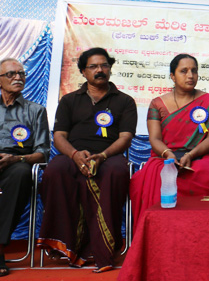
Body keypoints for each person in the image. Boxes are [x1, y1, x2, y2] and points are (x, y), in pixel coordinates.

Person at [37, 48, 137, 273]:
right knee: (54, 171)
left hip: (109, 156)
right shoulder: (69, 100)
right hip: (73, 155)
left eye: (104, 65)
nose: (100, 70)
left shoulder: (125, 101)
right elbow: (59, 136)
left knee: (115, 172)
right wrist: (74, 155)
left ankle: (102, 249)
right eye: (93, 66)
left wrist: (102, 156)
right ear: (83, 72)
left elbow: (126, 137)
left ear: (110, 68)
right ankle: (66, 244)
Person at [129, 54, 209, 225]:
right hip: (165, 157)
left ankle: (198, 233)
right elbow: (154, 138)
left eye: (194, 71)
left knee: (205, 174)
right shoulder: (157, 104)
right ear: (172, 76)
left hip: (199, 157)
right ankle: (157, 234)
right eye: (183, 71)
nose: (190, 76)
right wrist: (168, 154)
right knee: (142, 179)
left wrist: (191, 155)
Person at [0, 58, 49, 277]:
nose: (18, 77)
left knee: (21, 175)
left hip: (17, 163)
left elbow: (43, 153)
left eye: (21, 73)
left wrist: (16, 160)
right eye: (11, 74)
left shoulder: (35, 111)